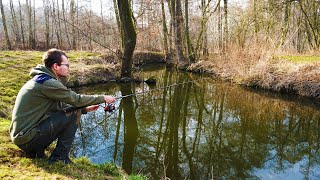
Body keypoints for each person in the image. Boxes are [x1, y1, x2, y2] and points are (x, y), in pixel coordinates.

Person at [9, 48, 116, 164]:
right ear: (56, 66)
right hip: (27, 139)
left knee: (75, 111)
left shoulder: (42, 79)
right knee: (74, 114)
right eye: (67, 65)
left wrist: (84, 109)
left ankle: (38, 151)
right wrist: (103, 98)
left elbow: (61, 106)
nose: (69, 68)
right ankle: (59, 158)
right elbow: (76, 99)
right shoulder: (48, 83)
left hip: (23, 137)